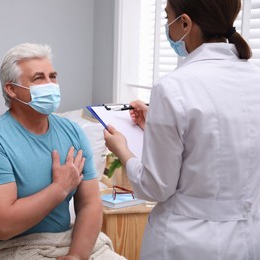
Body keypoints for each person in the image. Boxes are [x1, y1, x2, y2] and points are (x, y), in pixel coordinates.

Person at [104, 0, 260, 259]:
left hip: (187, 243)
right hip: (249, 239)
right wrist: (157, 121)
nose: (167, 27)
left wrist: (123, 151)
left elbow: (155, 188)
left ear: (185, 23)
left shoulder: (173, 87)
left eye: (168, 18)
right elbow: (226, 136)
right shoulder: (255, 77)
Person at [0, 43, 103, 259]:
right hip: (2, 249)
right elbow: (3, 226)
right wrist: (59, 189)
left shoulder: (73, 131)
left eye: (53, 76)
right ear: (11, 89)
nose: (51, 85)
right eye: (39, 78)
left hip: (61, 243)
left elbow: (90, 203)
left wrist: (77, 255)